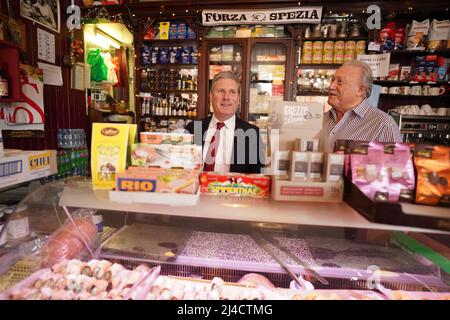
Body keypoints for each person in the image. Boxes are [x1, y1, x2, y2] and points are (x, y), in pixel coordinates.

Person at [186, 71, 265, 174]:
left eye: (232, 92)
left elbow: (256, 178)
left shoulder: (252, 133)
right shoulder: (193, 128)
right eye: (221, 91)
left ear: (238, 98)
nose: (226, 97)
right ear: (211, 96)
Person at [323, 60, 402, 152]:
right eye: (332, 80)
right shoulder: (321, 119)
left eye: (340, 82)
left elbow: (396, 164)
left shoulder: (383, 125)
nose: (331, 86)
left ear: (360, 90)